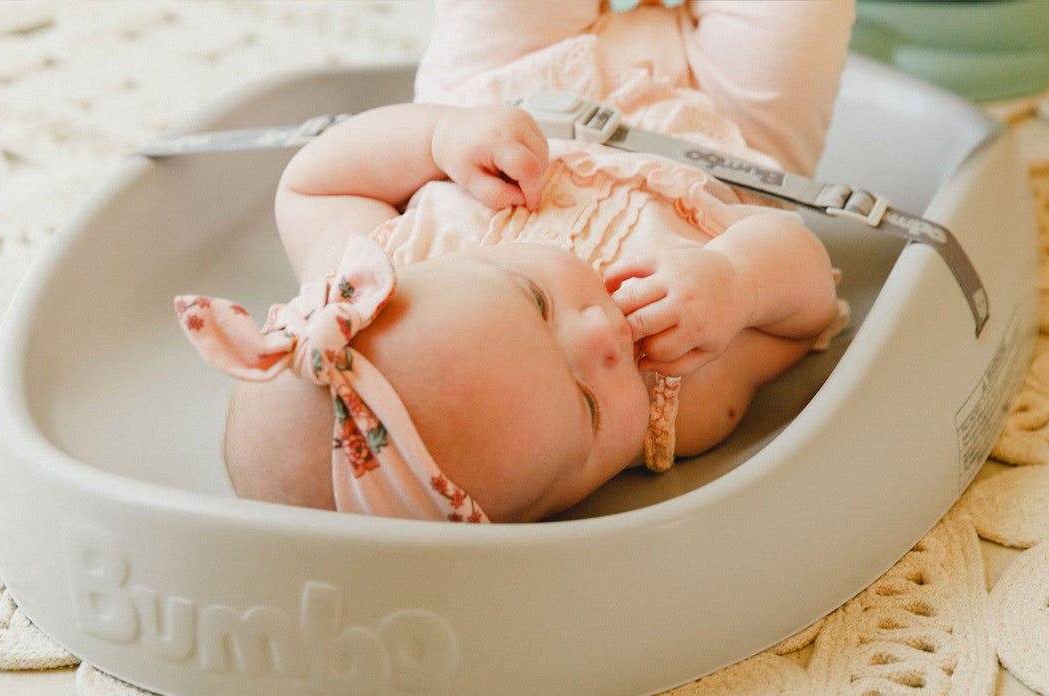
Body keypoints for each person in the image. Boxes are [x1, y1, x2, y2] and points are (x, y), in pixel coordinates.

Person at [176, 0, 854, 523]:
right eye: (589, 407)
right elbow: (805, 305)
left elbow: (315, 180)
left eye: (533, 300)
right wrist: (736, 282)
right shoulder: (679, 400)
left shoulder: (385, 267)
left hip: (514, 81)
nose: (601, 335)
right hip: (726, 135)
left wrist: (441, 135)